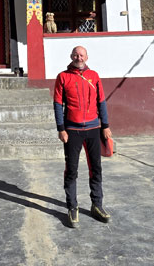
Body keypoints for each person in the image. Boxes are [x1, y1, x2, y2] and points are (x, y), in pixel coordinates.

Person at [53, 45, 112, 227]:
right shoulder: (63, 77)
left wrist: (105, 126)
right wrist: (61, 129)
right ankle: (72, 206)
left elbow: (101, 102)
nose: (79, 58)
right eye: (76, 55)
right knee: (71, 170)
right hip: (72, 130)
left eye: (82, 55)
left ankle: (97, 205)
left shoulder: (94, 76)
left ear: (87, 57)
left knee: (96, 168)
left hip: (93, 129)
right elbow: (57, 104)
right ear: (71, 56)